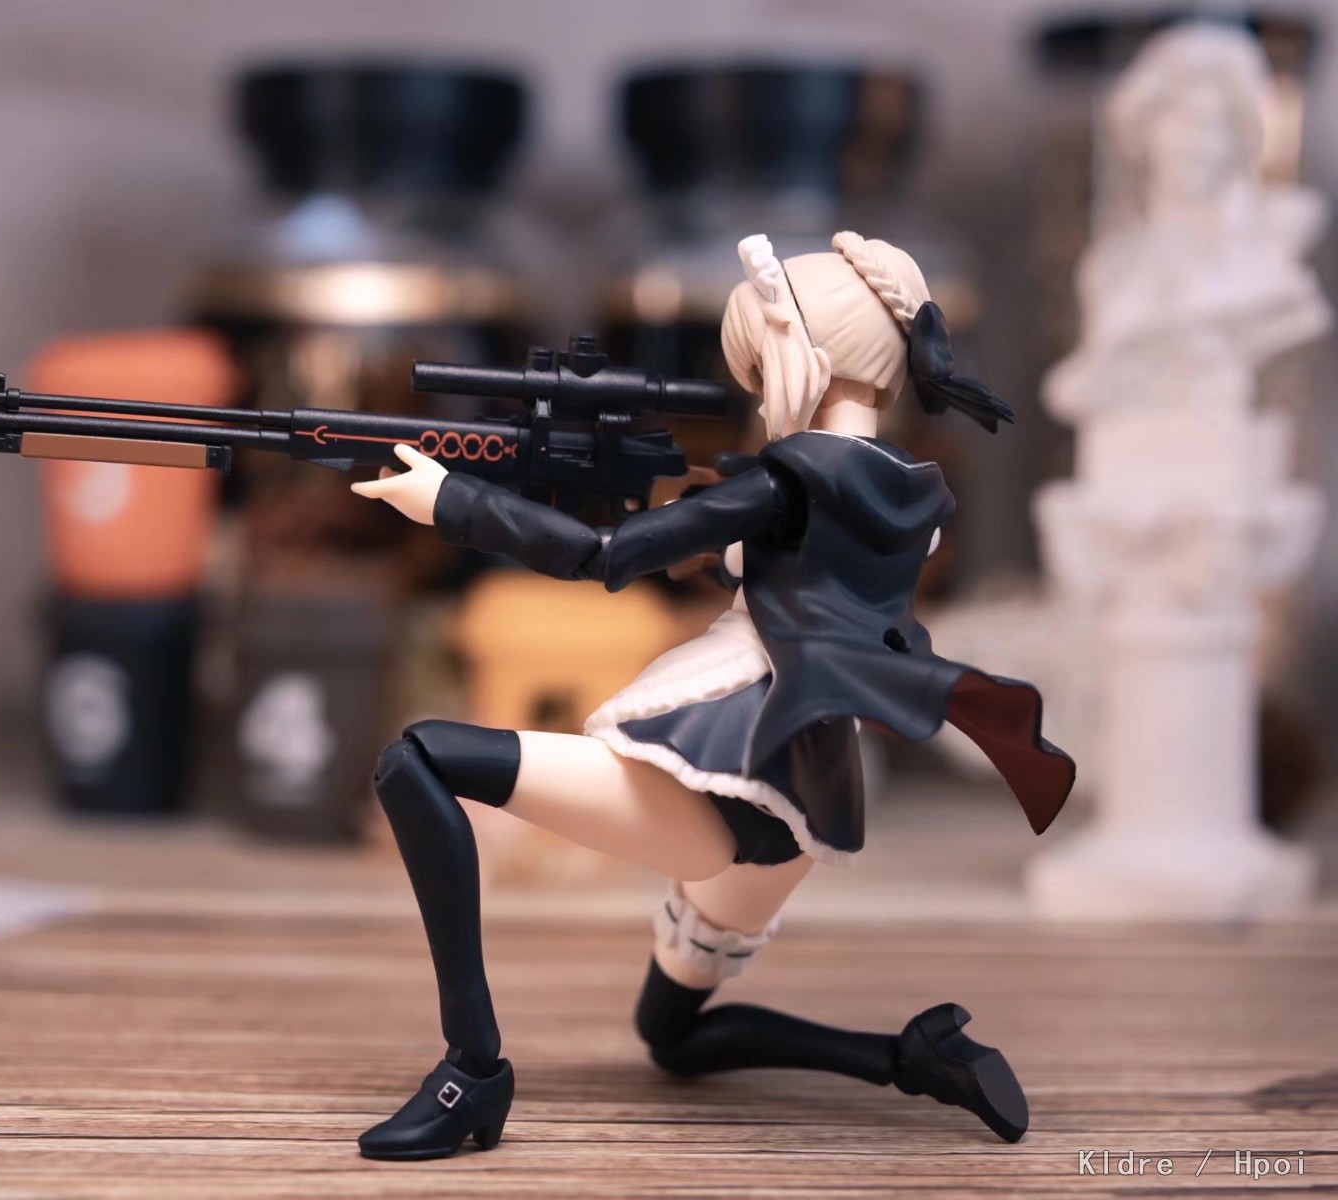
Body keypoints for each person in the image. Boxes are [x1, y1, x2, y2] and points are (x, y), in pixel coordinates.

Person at [347, 231, 1076, 1161]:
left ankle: (472, 1071)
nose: (755, 391)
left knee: (417, 758)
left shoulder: (787, 479)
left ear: (798, 354)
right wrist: (702, 525)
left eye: (756, 365)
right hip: (802, 805)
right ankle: (912, 1056)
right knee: (674, 1036)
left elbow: (604, 557)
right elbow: (807, 577)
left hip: (721, 780)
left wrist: (452, 502)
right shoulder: (915, 498)